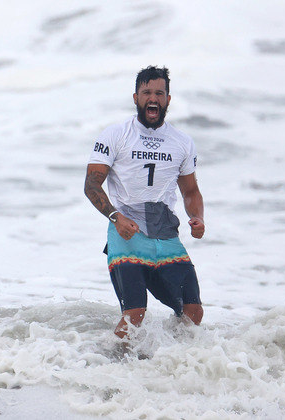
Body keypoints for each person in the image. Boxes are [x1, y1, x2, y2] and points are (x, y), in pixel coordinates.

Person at [84, 65, 205, 339]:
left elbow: (191, 192)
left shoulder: (182, 142)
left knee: (193, 312)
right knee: (135, 315)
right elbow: (91, 184)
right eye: (147, 92)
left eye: (159, 93)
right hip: (127, 237)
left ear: (168, 100)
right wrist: (116, 217)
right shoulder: (115, 135)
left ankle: (173, 366)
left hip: (166, 237)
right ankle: (110, 363)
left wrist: (198, 217)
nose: (153, 98)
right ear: (136, 98)